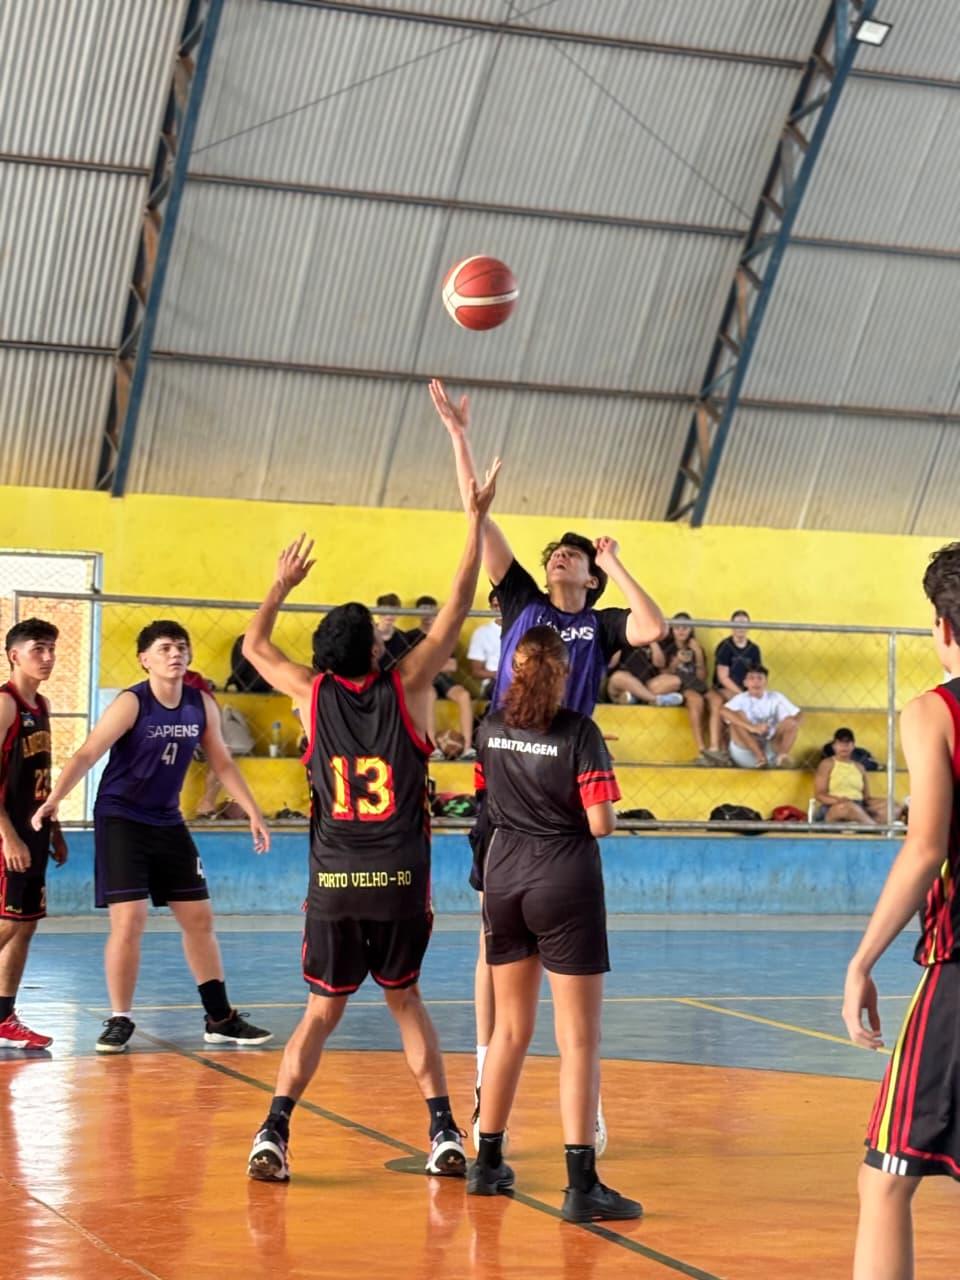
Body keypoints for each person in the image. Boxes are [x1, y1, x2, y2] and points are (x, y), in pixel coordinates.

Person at [242, 458, 500, 1185]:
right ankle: (445, 1134)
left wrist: (280, 586)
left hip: (334, 880)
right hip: (396, 880)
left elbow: (255, 647)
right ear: (377, 651)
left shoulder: (309, 692)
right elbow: (456, 603)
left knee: (319, 1013)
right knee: (406, 1000)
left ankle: (273, 1132)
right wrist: (474, 518)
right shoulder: (411, 685)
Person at [430, 376, 667, 1156]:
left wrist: (617, 562)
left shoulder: (599, 623)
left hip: (562, 772)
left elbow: (655, 624)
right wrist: (460, 436)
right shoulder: (521, 596)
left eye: (572, 553)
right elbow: (478, 516)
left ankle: (582, 1112)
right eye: (556, 551)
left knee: (559, 949)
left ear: (588, 576)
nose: (559, 557)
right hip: (509, 772)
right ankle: (484, 1067)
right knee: (491, 940)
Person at [33, 620, 272, 1053]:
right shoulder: (132, 702)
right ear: (145, 659)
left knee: (199, 919)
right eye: (164, 648)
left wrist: (254, 812)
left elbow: (221, 762)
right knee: (130, 921)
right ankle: (120, 1018)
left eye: (181, 646)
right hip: (122, 817)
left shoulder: (200, 703)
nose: (175, 654)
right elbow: (88, 752)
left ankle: (219, 1017)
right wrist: (54, 801)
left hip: (167, 820)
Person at [469, 626, 641, 1222]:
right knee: (578, 1040)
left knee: (510, 1031)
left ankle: (486, 1164)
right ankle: (581, 1182)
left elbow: (485, 803)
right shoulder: (579, 732)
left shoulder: (489, 729)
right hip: (564, 880)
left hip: (503, 880)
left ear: (513, 671)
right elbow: (601, 823)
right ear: (565, 672)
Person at [842, 541, 960, 1280]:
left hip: (958, 967)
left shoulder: (935, 711)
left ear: (943, 628)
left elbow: (924, 850)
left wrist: (861, 962)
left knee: (885, 1179)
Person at [0, 619, 66, 1050]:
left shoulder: (40, 705)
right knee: (6, 924)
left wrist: (53, 826)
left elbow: (39, 773)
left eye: (51, 649)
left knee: (24, 927)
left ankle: (4, 1017)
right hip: (9, 835)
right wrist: (8, 835)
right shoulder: (5, 705)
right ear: (13, 656)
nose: (47, 657)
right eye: (38, 649)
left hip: (34, 831)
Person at [406, 595, 476, 760]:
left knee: (464, 695)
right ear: (417, 613)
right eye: (424, 611)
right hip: (422, 681)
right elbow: (408, 667)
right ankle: (432, 747)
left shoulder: (442, 635)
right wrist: (435, 664)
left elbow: (452, 666)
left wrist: (425, 664)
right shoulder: (410, 636)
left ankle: (467, 748)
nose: (428, 615)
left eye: (431, 611)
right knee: (428, 694)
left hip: (442, 678)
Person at [704, 610, 762, 764]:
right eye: (736, 623)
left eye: (743, 623)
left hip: (745, 690)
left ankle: (743, 750)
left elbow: (757, 674)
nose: (740, 627)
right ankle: (717, 748)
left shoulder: (754, 649)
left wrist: (751, 691)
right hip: (724, 689)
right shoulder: (725, 646)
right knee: (732, 707)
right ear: (731, 626)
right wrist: (741, 694)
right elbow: (723, 677)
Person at [720, 664, 802, 769]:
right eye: (751, 678)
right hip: (745, 752)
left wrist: (791, 725)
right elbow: (722, 711)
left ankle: (782, 757)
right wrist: (751, 727)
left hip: (770, 749)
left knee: (791, 722)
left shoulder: (776, 697)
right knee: (736, 717)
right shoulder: (740, 698)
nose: (756, 682)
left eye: (760, 678)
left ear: (766, 682)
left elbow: (798, 714)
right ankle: (760, 757)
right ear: (745, 683)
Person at [813, 728, 890, 825]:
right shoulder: (827, 764)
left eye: (848, 744)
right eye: (840, 743)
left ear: (853, 746)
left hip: (859, 805)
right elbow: (819, 795)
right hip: (834, 806)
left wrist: (883, 803)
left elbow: (866, 797)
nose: (844, 747)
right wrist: (838, 800)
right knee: (847, 807)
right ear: (834, 746)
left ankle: (864, 825)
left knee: (892, 806)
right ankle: (875, 828)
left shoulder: (860, 767)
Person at [661, 613, 710, 760]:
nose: (681, 631)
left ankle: (711, 749)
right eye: (677, 627)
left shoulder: (696, 647)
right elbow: (662, 676)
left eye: (685, 627)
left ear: (691, 630)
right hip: (677, 688)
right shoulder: (667, 647)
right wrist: (676, 662)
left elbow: (702, 677)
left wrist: (698, 654)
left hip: (693, 685)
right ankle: (702, 748)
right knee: (696, 700)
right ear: (672, 629)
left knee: (708, 699)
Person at [606, 641, 683, 706]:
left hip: (647, 686)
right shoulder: (622, 637)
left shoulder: (653, 640)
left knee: (675, 681)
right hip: (621, 688)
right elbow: (611, 663)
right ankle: (655, 699)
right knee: (618, 677)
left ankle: (637, 698)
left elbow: (660, 664)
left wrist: (652, 641)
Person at [467, 589, 502, 699]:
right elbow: (476, 671)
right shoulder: (482, 633)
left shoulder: (521, 630)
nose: (500, 609)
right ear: (490, 608)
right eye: (496, 605)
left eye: (504, 604)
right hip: (493, 683)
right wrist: (500, 675)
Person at [374, 593, 415, 671]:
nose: (389, 615)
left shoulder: (404, 638)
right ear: (378, 611)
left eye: (394, 611)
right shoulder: (367, 635)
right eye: (385, 611)